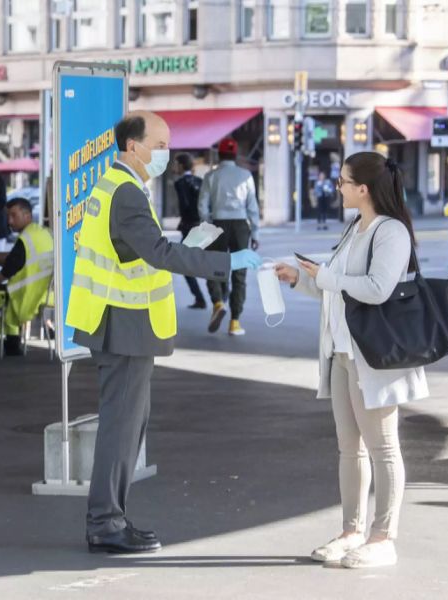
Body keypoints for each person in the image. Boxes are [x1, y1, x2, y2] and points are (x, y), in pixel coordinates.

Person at [66, 111, 262, 554]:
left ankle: (111, 519)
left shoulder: (119, 185)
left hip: (119, 322)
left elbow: (132, 252)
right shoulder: (128, 193)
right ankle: (105, 523)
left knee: (127, 427)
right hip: (124, 325)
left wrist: (185, 250)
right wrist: (226, 263)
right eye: (159, 144)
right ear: (132, 147)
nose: (165, 153)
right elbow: (154, 253)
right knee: (121, 428)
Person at [274, 152, 429, 569]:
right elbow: (337, 290)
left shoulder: (390, 232)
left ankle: (384, 537)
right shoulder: (354, 228)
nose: (336, 187)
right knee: (350, 450)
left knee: (383, 448)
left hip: (374, 358)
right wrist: (302, 279)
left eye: (342, 181)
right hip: (342, 355)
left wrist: (324, 277)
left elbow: (378, 289)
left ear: (363, 188)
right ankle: (351, 530)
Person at [0, 198, 53, 358]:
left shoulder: (25, 239)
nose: (9, 221)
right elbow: (13, 258)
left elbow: (7, 271)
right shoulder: (41, 234)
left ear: (27, 215)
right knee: (2, 295)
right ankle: (13, 343)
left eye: (13, 215)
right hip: (43, 295)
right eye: (8, 216)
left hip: (25, 296)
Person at [198, 137, 261, 337]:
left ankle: (217, 301)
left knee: (212, 265)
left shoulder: (211, 176)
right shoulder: (245, 175)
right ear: (235, 155)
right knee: (239, 274)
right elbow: (252, 206)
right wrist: (255, 232)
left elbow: (202, 204)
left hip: (217, 223)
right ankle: (235, 322)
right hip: (241, 224)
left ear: (220, 154)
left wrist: (208, 222)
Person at [172, 153, 207, 309]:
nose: (173, 166)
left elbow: (184, 205)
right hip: (202, 225)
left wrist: (183, 221)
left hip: (189, 227)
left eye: (175, 163)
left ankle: (201, 298)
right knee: (201, 260)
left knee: (184, 264)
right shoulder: (200, 181)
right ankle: (218, 294)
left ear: (180, 165)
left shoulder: (180, 183)